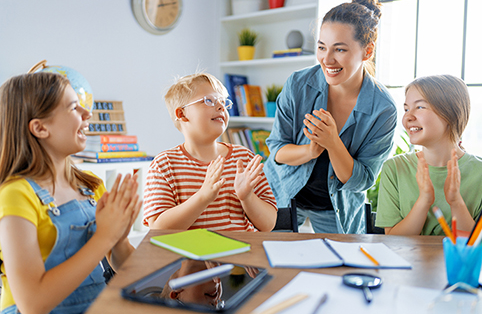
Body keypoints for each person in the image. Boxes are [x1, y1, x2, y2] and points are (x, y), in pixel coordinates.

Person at [0, 72, 141, 314]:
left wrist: (118, 240)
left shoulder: (91, 186)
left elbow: (124, 265)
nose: (88, 114)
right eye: (74, 108)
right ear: (40, 127)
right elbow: (32, 304)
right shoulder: (16, 194)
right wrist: (105, 237)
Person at [264, 0, 397, 234]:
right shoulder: (298, 84)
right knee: (276, 266)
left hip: (338, 208)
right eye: (322, 47)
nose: (327, 59)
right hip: (285, 192)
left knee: (339, 269)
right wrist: (311, 150)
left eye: (340, 49)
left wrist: (333, 142)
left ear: (367, 51)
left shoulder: (382, 109)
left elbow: (362, 180)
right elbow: (277, 150)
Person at [376, 75, 482, 235]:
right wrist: (424, 201)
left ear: (450, 113)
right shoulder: (395, 168)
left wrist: (456, 202)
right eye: (406, 109)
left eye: (419, 107)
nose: (408, 117)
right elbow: (393, 240)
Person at [143, 72, 277, 232]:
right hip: (191, 256)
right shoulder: (164, 165)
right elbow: (158, 230)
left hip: (242, 255)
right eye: (209, 101)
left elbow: (268, 224)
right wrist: (203, 196)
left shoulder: (244, 158)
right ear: (182, 114)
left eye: (223, 102)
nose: (221, 106)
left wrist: (247, 197)